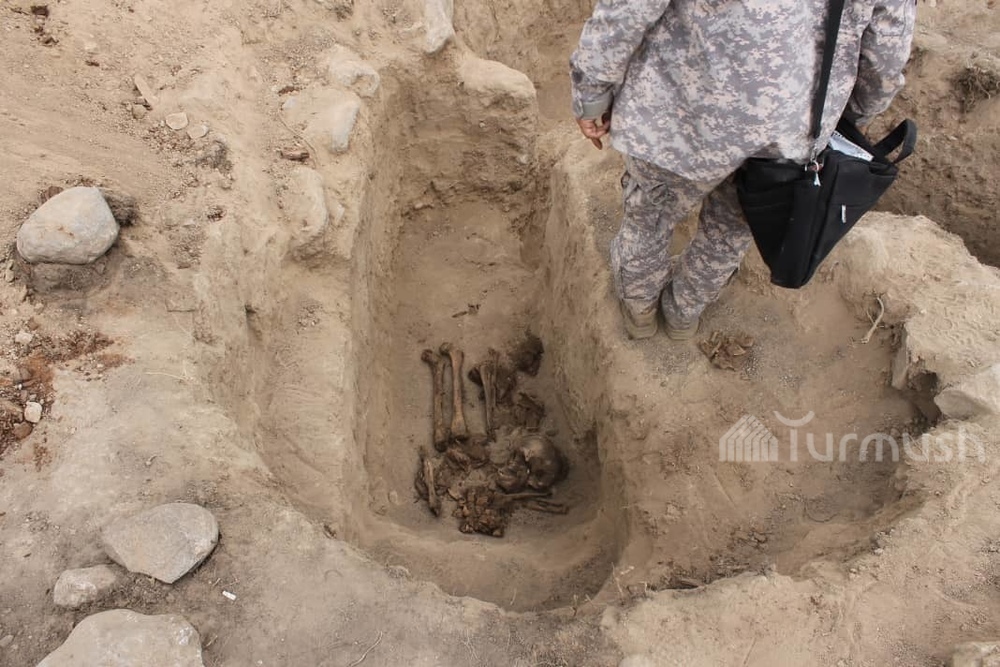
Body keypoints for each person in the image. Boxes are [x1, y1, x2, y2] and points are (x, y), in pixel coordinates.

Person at [570, 1, 916, 340]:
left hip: (681, 115)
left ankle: (639, 312)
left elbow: (627, 9)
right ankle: (682, 314)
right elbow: (886, 53)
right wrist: (846, 119)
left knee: (650, 215)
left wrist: (592, 91)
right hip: (789, 131)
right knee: (730, 231)